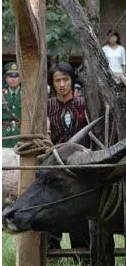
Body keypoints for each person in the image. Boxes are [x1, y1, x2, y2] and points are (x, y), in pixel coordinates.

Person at [46, 62, 90, 250]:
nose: (62, 84)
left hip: (81, 165)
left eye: (65, 79)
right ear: (52, 83)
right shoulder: (46, 107)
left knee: (79, 209)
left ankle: (82, 252)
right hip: (54, 164)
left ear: (72, 81)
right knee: (51, 205)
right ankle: (52, 249)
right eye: (57, 80)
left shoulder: (84, 104)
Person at [2, 62, 21, 148]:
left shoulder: (28, 95)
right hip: (4, 136)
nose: (13, 79)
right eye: (10, 76)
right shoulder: (2, 94)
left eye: (16, 76)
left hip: (21, 135)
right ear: (5, 78)